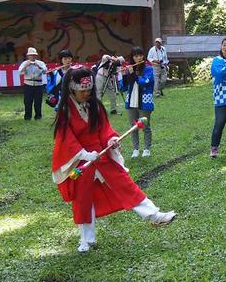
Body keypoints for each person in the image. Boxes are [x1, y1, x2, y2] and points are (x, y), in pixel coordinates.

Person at [51, 66, 176, 253]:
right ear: (71, 89)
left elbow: (104, 129)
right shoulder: (65, 112)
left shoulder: (95, 105)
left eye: (88, 90)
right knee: (83, 200)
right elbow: (65, 139)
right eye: (81, 90)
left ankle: (155, 215)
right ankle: (86, 239)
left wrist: (111, 139)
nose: (86, 93)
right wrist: (84, 154)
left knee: (125, 184)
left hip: (101, 155)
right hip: (81, 161)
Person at [122, 46, 155, 159]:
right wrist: (124, 75)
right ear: (132, 58)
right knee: (133, 127)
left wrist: (134, 75)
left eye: (140, 55)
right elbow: (123, 87)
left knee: (145, 125)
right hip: (131, 101)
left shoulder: (148, 69)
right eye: (136, 56)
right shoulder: (129, 69)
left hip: (144, 101)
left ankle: (146, 148)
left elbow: (145, 82)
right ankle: (135, 149)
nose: (138, 58)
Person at [18, 47, 47, 120]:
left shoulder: (40, 63)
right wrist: (26, 66)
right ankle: (27, 117)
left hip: (38, 84)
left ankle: (38, 116)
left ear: (36, 56)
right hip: (28, 84)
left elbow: (45, 71)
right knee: (27, 101)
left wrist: (39, 66)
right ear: (28, 56)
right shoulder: (24, 63)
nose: (32, 56)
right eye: (30, 55)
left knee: (38, 101)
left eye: (34, 55)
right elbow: (19, 72)